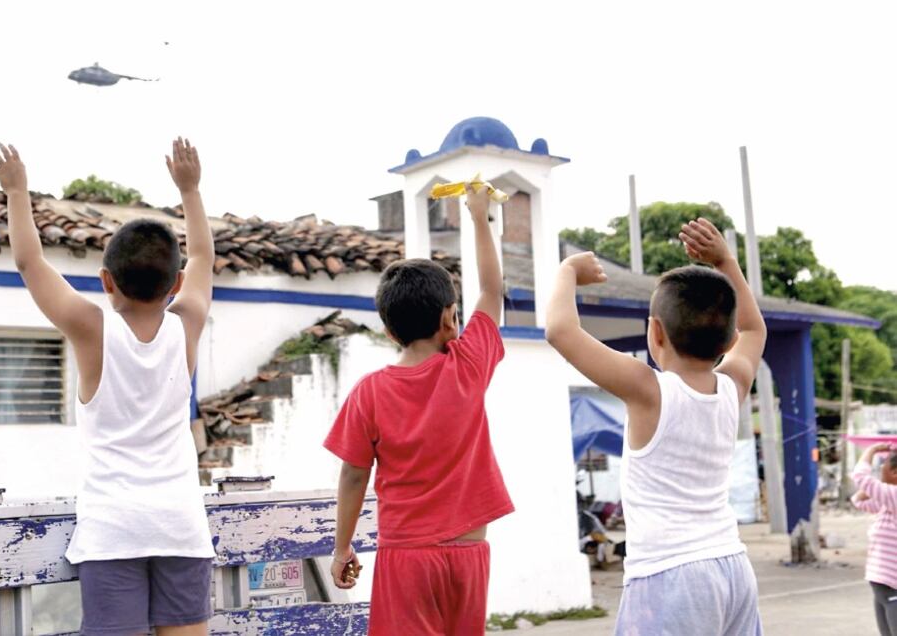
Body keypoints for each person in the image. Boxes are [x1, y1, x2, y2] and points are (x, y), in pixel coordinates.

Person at [0, 139, 215, 636]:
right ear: (174, 286)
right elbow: (201, 255)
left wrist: (17, 190)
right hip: (181, 525)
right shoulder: (188, 322)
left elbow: (30, 264)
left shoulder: (92, 328)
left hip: (113, 531)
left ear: (106, 281)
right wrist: (190, 190)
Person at [546, 218, 765, 635]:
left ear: (656, 332)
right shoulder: (732, 385)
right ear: (727, 341)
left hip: (669, 576)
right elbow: (755, 327)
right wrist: (726, 261)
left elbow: (560, 330)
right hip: (733, 567)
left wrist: (568, 270)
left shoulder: (649, 390)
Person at [323, 184, 514, 635]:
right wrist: (479, 215)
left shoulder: (369, 393)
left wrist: (342, 548)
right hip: (470, 553)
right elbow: (491, 289)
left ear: (389, 332)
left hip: (406, 557)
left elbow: (354, 475)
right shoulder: (468, 367)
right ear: (450, 319)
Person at [851, 442, 897, 636]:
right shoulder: (889, 501)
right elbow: (858, 500)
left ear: (895, 473)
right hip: (882, 585)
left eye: (882, 466)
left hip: (892, 585)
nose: (878, 471)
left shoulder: (895, 496)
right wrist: (880, 483)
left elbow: (860, 477)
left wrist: (871, 451)